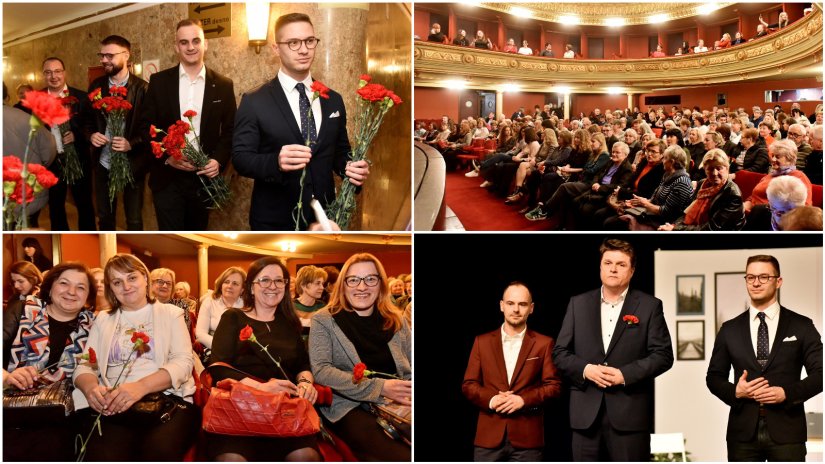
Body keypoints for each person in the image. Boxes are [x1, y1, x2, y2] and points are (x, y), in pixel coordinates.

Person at [232, 13, 369, 230]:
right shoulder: (254, 101)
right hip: (275, 220)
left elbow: (339, 153)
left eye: (309, 41)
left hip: (326, 218)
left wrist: (351, 168)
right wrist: (275, 162)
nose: (304, 49)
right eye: (293, 43)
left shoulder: (333, 99)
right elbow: (240, 159)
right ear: (276, 48)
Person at [553, 239, 673, 461]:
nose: (613, 269)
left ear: (632, 270)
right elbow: (559, 353)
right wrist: (586, 369)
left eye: (621, 264)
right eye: (608, 262)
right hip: (584, 417)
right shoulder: (577, 304)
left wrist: (624, 375)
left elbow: (663, 355)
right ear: (600, 266)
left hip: (630, 417)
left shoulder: (649, 306)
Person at [72, 254, 199, 461]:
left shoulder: (171, 313)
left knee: (157, 454)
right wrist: (91, 389)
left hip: (166, 402)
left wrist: (140, 387)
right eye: (117, 282)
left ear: (145, 279)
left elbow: (183, 363)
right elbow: (85, 365)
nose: (126, 286)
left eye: (132, 278)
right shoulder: (103, 319)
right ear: (110, 287)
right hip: (112, 405)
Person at [706, 255, 822, 462]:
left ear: (778, 281)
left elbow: (821, 374)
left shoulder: (801, 326)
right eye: (750, 277)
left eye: (763, 277)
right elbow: (713, 377)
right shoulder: (729, 329)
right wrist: (735, 391)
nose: (756, 282)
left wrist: (787, 393)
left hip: (788, 432)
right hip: (742, 434)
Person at [208, 257, 319, 461]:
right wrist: (261, 388)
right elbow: (217, 367)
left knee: (306, 456)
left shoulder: (290, 323)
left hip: (284, 412)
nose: (273, 286)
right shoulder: (233, 317)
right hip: (239, 411)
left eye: (279, 281)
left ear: (286, 287)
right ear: (251, 287)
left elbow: (302, 364)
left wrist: (305, 382)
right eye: (265, 280)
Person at [308, 253, 411, 461]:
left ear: (381, 284)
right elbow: (321, 371)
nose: (362, 287)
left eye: (370, 279)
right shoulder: (324, 320)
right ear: (343, 284)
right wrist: (379, 387)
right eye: (353, 280)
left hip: (402, 399)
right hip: (350, 406)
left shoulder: (397, 319)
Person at [140, 19, 236, 230]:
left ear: (205, 44)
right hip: (166, 179)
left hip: (203, 179)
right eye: (184, 42)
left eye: (196, 41)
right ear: (176, 46)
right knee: (171, 236)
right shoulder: (159, 81)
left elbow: (230, 129)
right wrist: (167, 157)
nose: (190, 47)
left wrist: (218, 161)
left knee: (196, 233)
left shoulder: (223, 85)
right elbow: (146, 126)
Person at [3, 262, 96, 461]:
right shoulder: (23, 310)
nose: (71, 292)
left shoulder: (94, 326)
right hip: (10, 412)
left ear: (88, 296)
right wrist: (7, 376)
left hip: (61, 417)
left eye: (80, 287)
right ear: (50, 286)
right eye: (64, 283)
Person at [461, 282, 561, 461]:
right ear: (501, 305)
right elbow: (469, 385)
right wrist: (492, 399)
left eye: (522, 304)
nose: (516, 309)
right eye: (510, 303)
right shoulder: (481, 342)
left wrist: (523, 400)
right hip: (487, 439)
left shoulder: (544, 343)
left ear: (531, 308)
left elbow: (553, 387)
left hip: (528, 440)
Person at [87, 35, 149, 231]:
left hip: (133, 165)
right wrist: (90, 135)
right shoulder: (96, 86)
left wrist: (132, 143)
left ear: (126, 55)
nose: (104, 60)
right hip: (103, 163)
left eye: (110, 55)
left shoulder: (143, 89)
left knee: (134, 221)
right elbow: (85, 121)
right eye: (102, 55)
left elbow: (150, 128)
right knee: (105, 219)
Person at [40, 57, 96, 231]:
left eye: (57, 71)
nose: (53, 76)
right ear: (43, 75)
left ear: (64, 73)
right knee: (56, 207)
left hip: (79, 160)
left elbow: (92, 126)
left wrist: (77, 135)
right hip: (51, 163)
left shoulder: (81, 97)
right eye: (48, 72)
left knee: (85, 205)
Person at [661, 150, 746, 231]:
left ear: (727, 169)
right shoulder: (702, 184)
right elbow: (687, 211)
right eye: (710, 169)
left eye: (719, 168)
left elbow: (713, 228)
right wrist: (674, 226)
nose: (715, 173)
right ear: (705, 170)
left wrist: (676, 229)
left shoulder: (732, 194)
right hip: (697, 228)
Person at [4, 98, 57, 226]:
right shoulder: (25, 117)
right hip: (26, 193)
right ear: (6, 97)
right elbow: (49, 149)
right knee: (28, 224)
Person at [194, 266, 245, 363]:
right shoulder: (209, 302)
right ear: (221, 284)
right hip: (213, 348)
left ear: (242, 289)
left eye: (235, 283)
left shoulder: (248, 306)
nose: (229, 286)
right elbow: (200, 333)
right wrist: (222, 347)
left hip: (240, 352)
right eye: (226, 282)